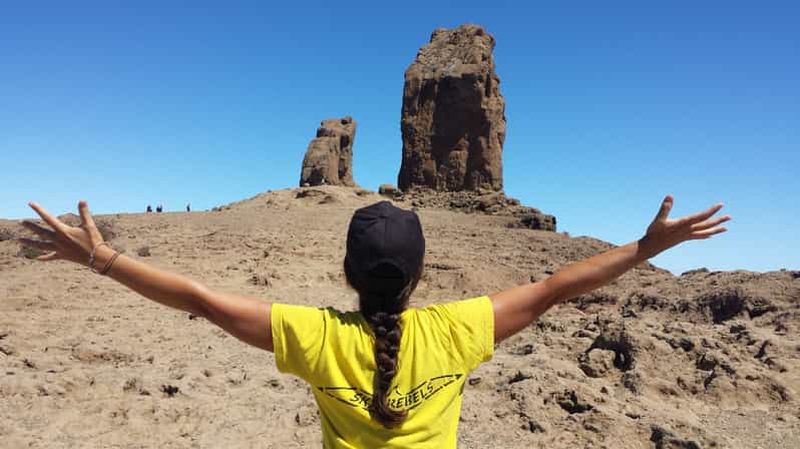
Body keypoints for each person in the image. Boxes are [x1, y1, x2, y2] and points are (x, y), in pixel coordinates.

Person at [17, 196, 729, 448]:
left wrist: (104, 260)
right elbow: (550, 289)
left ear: (348, 276)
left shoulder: (317, 336)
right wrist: (645, 248)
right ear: (422, 276)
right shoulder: (455, 331)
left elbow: (200, 298)